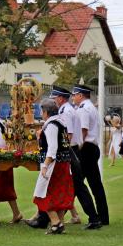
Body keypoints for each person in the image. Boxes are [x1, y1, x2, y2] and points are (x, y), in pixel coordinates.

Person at [31, 85, 100, 230]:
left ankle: (91, 218)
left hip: (67, 151)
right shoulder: (64, 112)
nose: (54, 100)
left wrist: (52, 158)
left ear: (61, 98)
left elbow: (67, 136)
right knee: (67, 187)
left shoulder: (66, 112)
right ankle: (48, 220)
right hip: (67, 151)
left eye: (55, 98)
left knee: (74, 187)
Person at [33, 99, 75, 235]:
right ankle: (59, 224)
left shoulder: (51, 125)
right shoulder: (61, 123)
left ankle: (56, 222)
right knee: (59, 195)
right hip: (63, 163)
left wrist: (45, 165)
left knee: (43, 193)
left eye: (42, 111)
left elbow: (52, 148)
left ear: (46, 112)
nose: (41, 113)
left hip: (54, 165)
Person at [72, 84, 109, 225]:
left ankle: (94, 217)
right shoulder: (91, 107)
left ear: (80, 95)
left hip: (86, 149)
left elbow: (83, 131)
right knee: (92, 185)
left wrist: (77, 149)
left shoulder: (83, 109)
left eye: (74, 95)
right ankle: (102, 217)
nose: (73, 97)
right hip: (91, 148)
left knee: (78, 184)